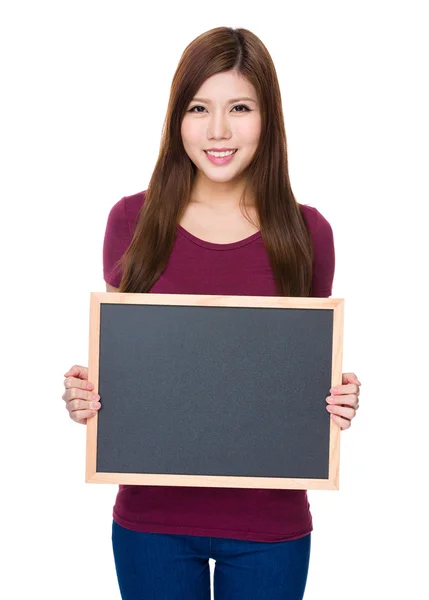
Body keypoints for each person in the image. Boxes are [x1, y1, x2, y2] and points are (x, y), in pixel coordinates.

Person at [62, 26, 361, 600]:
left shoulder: (307, 233)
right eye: (199, 107)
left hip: (270, 524)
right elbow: (129, 358)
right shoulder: (132, 220)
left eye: (240, 108)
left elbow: (303, 367)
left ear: (267, 118)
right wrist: (89, 396)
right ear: (178, 118)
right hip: (152, 521)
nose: (218, 130)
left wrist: (336, 399)